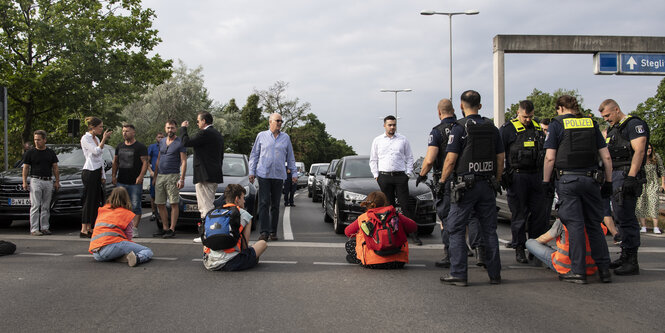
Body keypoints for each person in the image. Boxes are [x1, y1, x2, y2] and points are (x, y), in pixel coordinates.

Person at [542, 95, 613, 284]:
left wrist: (545, 181)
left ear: (561, 108)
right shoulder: (591, 123)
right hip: (591, 180)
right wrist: (608, 181)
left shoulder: (557, 124)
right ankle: (604, 270)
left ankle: (578, 271)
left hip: (568, 180)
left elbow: (550, 157)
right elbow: (606, 157)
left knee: (575, 226)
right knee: (594, 224)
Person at [439, 90, 504, 286]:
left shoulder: (459, 128)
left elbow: (450, 160)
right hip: (487, 184)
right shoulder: (492, 128)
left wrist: (442, 182)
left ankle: (458, 273)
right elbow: (500, 158)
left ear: (461, 106)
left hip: (464, 186)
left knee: (456, 228)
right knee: (489, 230)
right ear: (481, 106)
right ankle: (494, 274)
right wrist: (497, 180)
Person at [600, 99, 649, 276]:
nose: (606, 119)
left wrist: (631, 176)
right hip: (616, 175)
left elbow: (640, 151)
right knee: (620, 216)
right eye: (603, 117)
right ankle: (624, 255)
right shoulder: (614, 130)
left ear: (616, 109)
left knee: (627, 218)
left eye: (607, 115)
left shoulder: (633, 124)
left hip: (627, 174)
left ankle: (632, 260)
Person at [499, 100, 547, 264]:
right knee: (519, 216)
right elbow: (499, 153)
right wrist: (502, 175)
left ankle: (535, 249)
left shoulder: (538, 128)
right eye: (525, 116)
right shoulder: (507, 130)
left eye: (530, 116)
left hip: (536, 176)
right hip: (517, 176)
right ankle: (519, 248)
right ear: (518, 113)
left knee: (538, 216)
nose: (528, 119)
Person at [370, 115, 421, 245]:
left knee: (405, 205)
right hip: (384, 176)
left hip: (400, 176)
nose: (392, 127)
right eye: (390, 125)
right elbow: (373, 159)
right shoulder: (377, 140)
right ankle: (390, 233)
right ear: (384, 125)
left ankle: (414, 234)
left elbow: (410, 157)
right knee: (388, 207)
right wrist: (376, 175)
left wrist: (408, 174)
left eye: (394, 125)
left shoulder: (403, 140)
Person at [249, 113, 297, 242]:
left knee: (275, 205)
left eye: (281, 121)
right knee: (264, 202)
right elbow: (254, 155)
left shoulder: (285, 138)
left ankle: (273, 231)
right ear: (270, 121)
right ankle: (264, 232)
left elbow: (290, 157)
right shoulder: (261, 136)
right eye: (278, 120)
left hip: (278, 175)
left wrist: (294, 173)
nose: (280, 123)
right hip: (263, 174)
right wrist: (251, 172)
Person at [181, 111, 224, 242]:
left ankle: (207, 234)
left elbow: (186, 142)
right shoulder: (217, 134)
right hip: (213, 173)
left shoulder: (205, 133)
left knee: (205, 206)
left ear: (204, 121)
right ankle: (208, 232)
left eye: (198, 120)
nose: (197, 123)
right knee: (207, 203)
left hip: (204, 175)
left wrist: (183, 128)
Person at [344, 191, 417, 269]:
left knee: (349, 244)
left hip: (372, 263)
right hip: (398, 262)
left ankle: (360, 259)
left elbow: (348, 232)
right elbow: (413, 227)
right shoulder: (395, 215)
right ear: (385, 202)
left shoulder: (363, 217)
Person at [203, 184, 267, 271]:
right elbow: (244, 246)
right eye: (243, 198)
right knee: (262, 244)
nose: (244, 201)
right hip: (232, 262)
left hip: (209, 262)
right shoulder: (244, 214)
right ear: (237, 199)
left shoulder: (214, 212)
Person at [88, 187, 153, 267]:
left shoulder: (103, 210)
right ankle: (137, 258)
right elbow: (129, 236)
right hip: (111, 246)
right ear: (126, 198)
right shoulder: (126, 213)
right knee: (147, 251)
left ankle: (120, 256)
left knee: (117, 249)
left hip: (96, 252)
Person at [525, 219, 608, 277]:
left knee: (530, 242)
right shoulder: (597, 224)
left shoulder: (563, 222)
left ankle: (540, 260)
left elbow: (542, 239)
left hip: (564, 266)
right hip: (591, 268)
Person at [111, 124, 149, 237]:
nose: (124, 133)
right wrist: (114, 175)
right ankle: (121, 227)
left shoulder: (140, 147)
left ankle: (134, 229)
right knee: (120, 205)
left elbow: (145, 163)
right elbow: (115, 162)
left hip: (134, 182)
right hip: (121, 181)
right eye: (123, 131)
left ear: (133, 132)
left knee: (135, 205)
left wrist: (141, 176)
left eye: (127, 131)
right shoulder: (120, 146)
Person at [152, 121, 187, 238]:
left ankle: (172, 228)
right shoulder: (162, 141)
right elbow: (158, 159)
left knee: (173, 202)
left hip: (173, 175)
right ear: (165, 128)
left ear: (176, 129)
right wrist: (155, 176)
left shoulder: (180, 142)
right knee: (160, 203)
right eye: (168, 128)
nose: (170, 130)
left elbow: (184, 161)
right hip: (160, 175)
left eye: (172, 128)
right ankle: (165, 228)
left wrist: (181, 179)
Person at [22, 130, 60, 236]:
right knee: (35, 205)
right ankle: (34, 228)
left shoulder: (50, 152)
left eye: (38, 139)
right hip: (35, 180)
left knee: (46, 206)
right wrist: (24, 182)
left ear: (44, 140)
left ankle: (44, 227)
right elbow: (25, 168)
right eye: (35, 140)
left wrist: (57, 181)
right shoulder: (30, 153)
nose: (36, 142)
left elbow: (55, 167)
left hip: (48, 180)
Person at [80, 116, 112, 238]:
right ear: (93, 127)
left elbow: (100, 158)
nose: (102, 129)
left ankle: (90, 227)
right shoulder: (85, 138)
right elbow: (96, 151)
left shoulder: (97, 138)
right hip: (89, 170)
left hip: (97, 170)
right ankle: (84, 228)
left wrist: (103, 174)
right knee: (88, 199)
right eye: (100, 127)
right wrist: (104, 139)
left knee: (95, 200)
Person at [636, 144, 664, 234]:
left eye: (650, 148)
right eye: (647, 148)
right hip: (642, 183)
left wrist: (663, 184)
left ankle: (656, 226)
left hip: (653, 183)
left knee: (653, 203)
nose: (649, 150)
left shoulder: (656, 157)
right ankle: (643, 226)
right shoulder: (639, 157)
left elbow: (662, 170)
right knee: (641, 204)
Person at [147, 132, 164, 221]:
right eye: (159, 137)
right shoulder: (152, 147)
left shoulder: (166, 146)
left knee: (163, 195)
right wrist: (150, 171)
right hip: (154, 174)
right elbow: (147, 161)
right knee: (153, 195)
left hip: (165, 174)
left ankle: (163, 213)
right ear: (156, 138)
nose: (160, 139)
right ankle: (154, 212)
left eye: (162, 137)